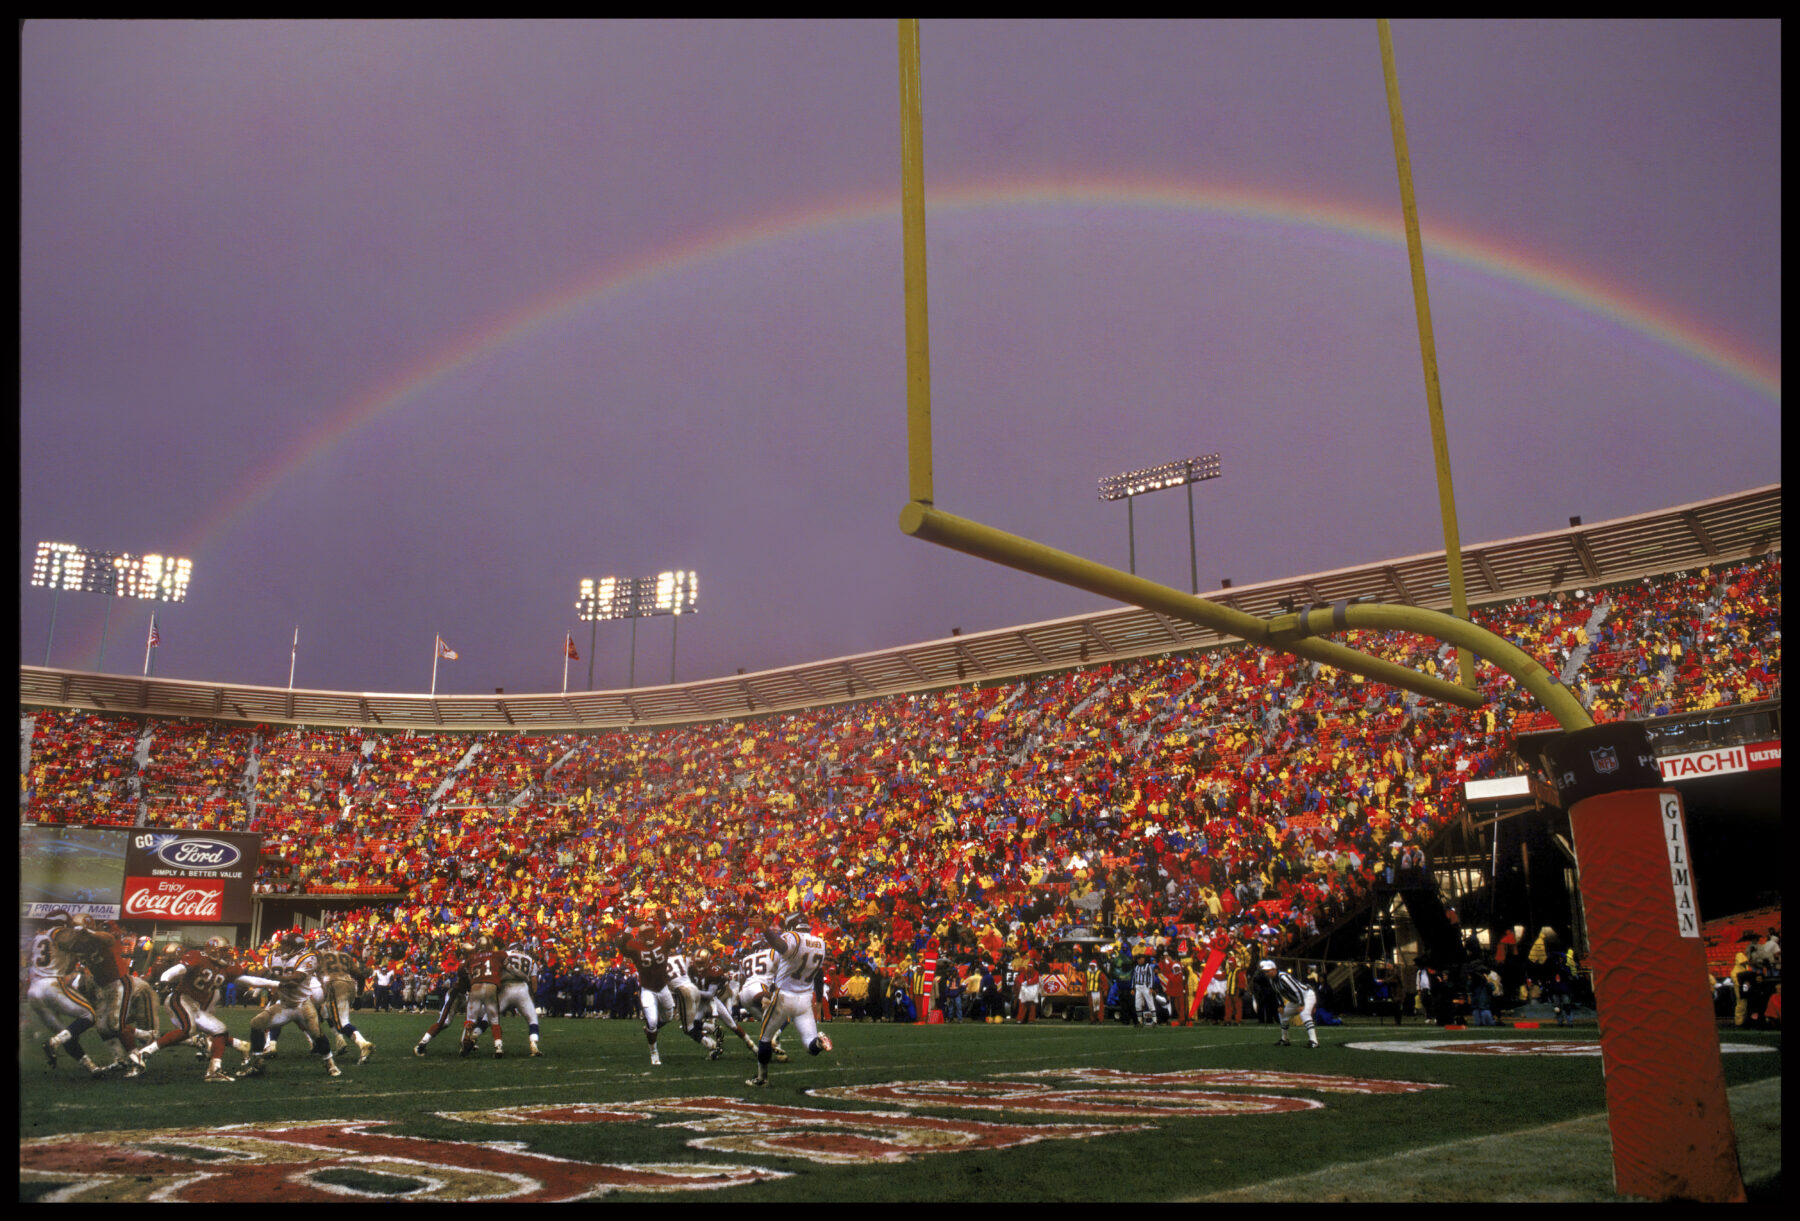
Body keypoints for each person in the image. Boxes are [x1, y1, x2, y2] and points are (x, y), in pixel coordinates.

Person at [138, 938, 272, 1082]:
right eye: (224, 951)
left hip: (198, 1004)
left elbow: (247, 980)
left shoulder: (227, 967)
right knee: (187, 1030)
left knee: (219, 1029)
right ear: (214, 951)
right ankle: (145, 1052)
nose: (228, 954)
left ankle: (214, 1070)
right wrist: (165, 980)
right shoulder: (197, 957)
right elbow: (175, 970)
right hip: (181, 999)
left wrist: (276, 984)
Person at [746, 911, 833, 1088]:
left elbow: (781, 946)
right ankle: (819, 1041)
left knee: (765, 1038)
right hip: (805, 1000)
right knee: (810, 1045)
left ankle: (761, 1078)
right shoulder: (820, 943)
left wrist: (766, 930)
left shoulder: (792, 937)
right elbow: (819, 973)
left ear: (792, 926)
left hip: (784, 996)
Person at [1262, 959, 1319, 1048]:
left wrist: (1301, 1004)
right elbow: (1277, 992)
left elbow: (1297, 990)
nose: (1266, 973)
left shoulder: (1283, 977)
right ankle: (1285, 1039)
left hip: (1306, 995)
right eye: (1265, 972)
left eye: (1267, 971)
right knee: (1282, 1014)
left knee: (1304, 1014)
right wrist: (1281, 1005)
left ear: (1274, 970)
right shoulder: (1272, 980)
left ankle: (1314, 1041)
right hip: (1296, 999)